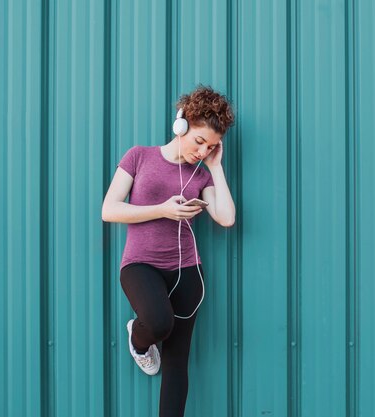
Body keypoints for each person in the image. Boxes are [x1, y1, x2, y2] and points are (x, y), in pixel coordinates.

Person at [101, 85, 235, 417]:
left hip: (187, 270)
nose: (202, 151)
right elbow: (110, 210)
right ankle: (138, 337)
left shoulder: (201, 173)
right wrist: (162, 209)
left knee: (177, 362)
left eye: (212, 146)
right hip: (141, 264)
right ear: (182, 126)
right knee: (159, 323)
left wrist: (216, 168)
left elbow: (227, 218)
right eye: (199, 141)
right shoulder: (139, 156)